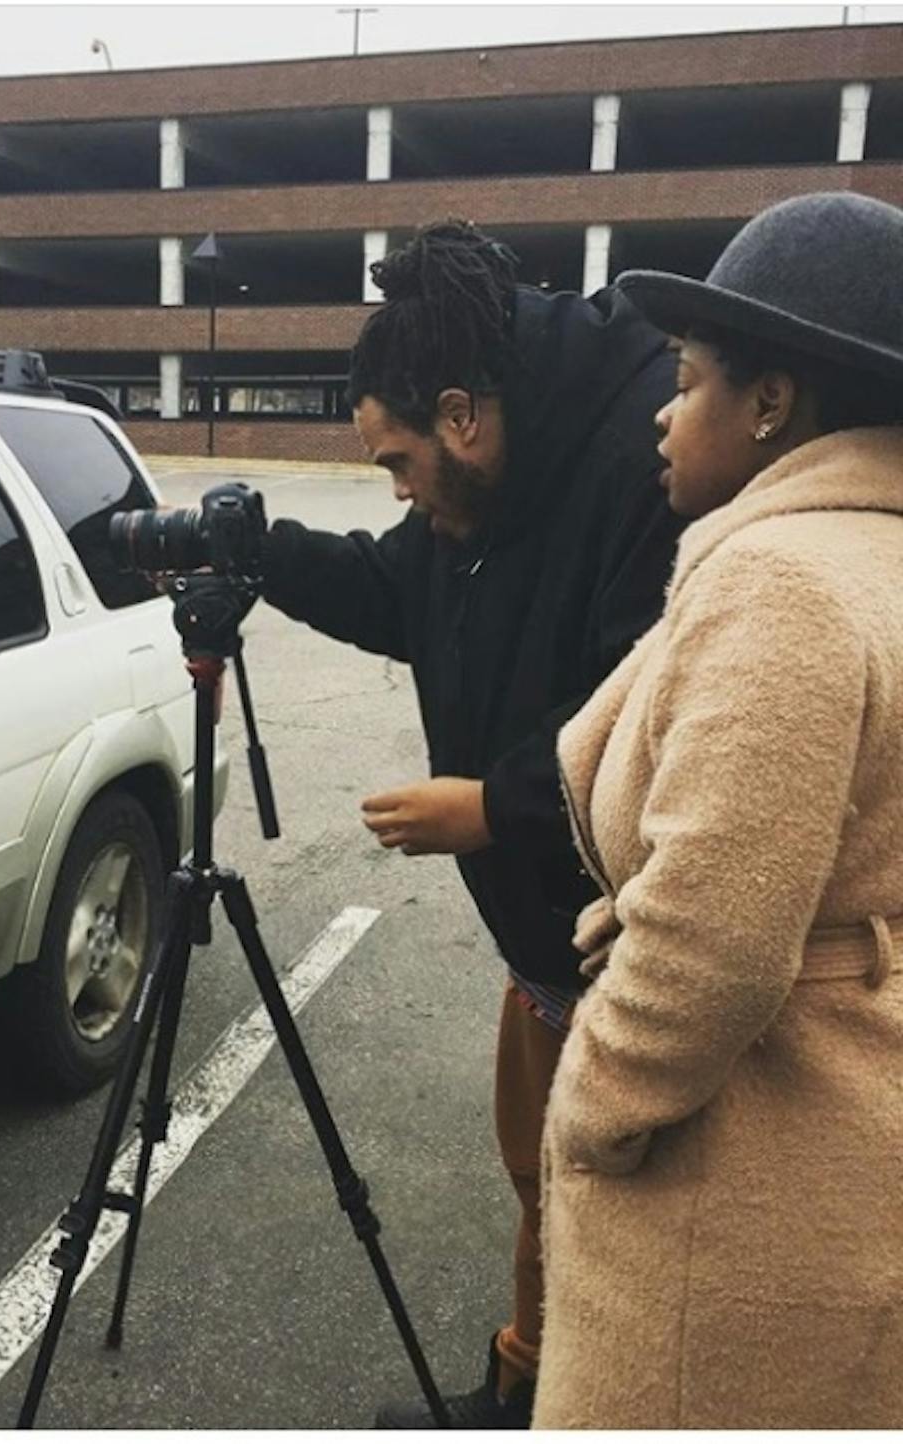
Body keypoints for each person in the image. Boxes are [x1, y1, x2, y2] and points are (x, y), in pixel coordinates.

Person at [255, 220, 685, 1428]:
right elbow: (404, 586)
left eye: (396, 463)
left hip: (635, 950)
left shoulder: (643, 464)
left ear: (458, 415)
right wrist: (268, 555)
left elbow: (655, 719)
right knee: (543, 1183)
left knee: (617, 1209)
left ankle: (576, 1403)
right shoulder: (485, 486)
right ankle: (524, 1386)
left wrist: (492, 809)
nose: (398, 492)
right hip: (543, 946)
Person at [535, 190, 903, 1429]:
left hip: (741, 1190)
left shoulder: (782, 584)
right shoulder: (878, 561)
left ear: (767, 403)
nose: (661, 408)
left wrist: (591, 1110)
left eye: (687, 378)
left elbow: (715, 939)